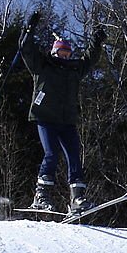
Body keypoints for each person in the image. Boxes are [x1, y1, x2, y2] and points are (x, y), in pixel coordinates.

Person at [20, 11, 107, 213]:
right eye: (62, 53)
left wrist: (97, 40)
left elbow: (90, 59)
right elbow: (26, 49)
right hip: (45, 118)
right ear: (54, 52)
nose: (65, 56)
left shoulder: (74, 71)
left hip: (67, 121)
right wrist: (29, 29)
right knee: (51, 154)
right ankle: (41, 195)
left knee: (74, 156)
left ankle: (78, 199)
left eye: (68, 53)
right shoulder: (43, 66)